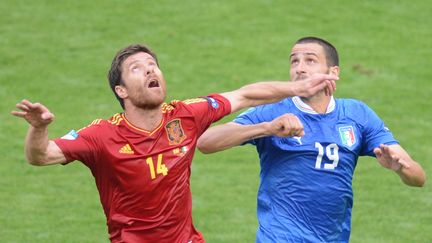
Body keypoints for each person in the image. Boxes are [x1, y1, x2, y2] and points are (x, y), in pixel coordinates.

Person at [11, 44, 338, 243]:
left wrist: (299, 87)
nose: (150, 70)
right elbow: (41, 156)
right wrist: (38, 128)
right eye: (137, 69)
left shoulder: (185, 116)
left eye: (153, 64)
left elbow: (244, 95)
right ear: (121, 91)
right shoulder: (102, 136)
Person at [197, 37, 426, 243]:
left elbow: (418, 178)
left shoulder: (358, 114)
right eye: (294, 61)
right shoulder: (272, 111)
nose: (300, 68)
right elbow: (206, 142)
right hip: (279, 236)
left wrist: (400, 169)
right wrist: (266, 128)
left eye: (310, 60)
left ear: (333, 72)